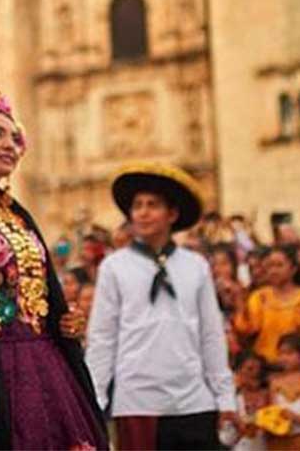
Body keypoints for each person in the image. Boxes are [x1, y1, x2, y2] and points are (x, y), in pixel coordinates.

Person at [0, 88, 105, 449]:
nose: (9, 144)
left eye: (14, 137)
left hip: (45, 356)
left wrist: (63, 319)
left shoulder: (17, 213)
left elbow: (42, 285)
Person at [86, 163, 237, 450]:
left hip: (193, 401)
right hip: (137, 402)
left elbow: (211, 336)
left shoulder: (196, 266)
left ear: (172, 214)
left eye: (152, 205)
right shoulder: (114, 267)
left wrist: (224, 396)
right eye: (137, 205)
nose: (142, 212)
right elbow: (102, 339)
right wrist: (96, 398)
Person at [232, 244, 300, 364]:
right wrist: (239, 303)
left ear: (293, 269)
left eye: (279, 265)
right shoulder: (259, 297)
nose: (273, 271)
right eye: (270, 266)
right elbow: (246, 329)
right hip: (264, 365)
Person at [232, 350, 268, 451]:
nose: (255, 373)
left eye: (259, 369)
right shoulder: (232, 397)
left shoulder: (268, 394)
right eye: (250, 369)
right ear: (238, 371)